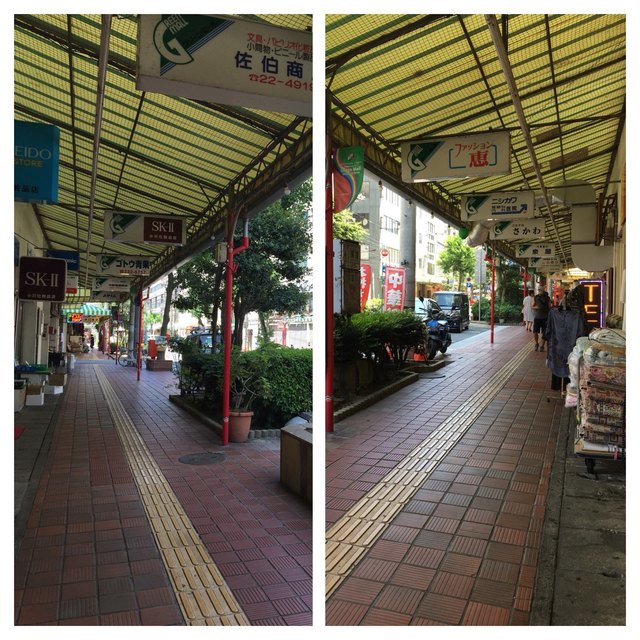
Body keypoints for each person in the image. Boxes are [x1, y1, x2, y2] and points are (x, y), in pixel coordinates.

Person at [532, 286, 551, 352]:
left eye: (540, 289)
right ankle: (536, 343)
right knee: (535, 331)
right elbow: (532, 306)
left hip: (545, 317)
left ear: (543, 290)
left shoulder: (547, 298)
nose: (539, 291)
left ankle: (542, 345)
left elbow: (549, 307)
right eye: (538, 289)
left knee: (544, 332)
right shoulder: (536, 297)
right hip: (537, 317)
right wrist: (537, 307)